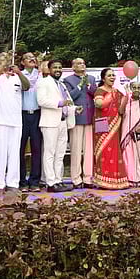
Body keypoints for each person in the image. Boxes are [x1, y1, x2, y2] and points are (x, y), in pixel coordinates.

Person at [0, 52, 29, 197]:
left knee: (14, 154)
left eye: (8, 58)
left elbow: (27, 86)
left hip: (16, 121)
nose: (6, 60)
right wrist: (2, 67)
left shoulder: (16, 76)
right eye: (2, 58)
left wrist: (18, 72)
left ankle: (13, 184)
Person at [37, 59, 74, 193]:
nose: (58, 70)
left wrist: (74, 109)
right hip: (50, 122)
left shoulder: (62, 84)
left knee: (60, 154)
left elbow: (68, 102)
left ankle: (59, 180)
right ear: (49, 69)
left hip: (63, 121)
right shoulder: (43, 82)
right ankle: (50, 182)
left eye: (60, 67)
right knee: (49, 153)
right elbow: (41, 101)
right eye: (55, 68)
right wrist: (60, 103)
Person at [92, 68, 130, 190]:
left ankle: (116, 180)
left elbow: (121, 110)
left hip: (115, 125)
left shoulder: (117, 92)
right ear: (103, 78)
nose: (112, 77)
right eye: (109, 75)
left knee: (114, 151)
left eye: (113, 75)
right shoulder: (100, 90)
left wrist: (127, 96)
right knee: (103, 151)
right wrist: (108, 97)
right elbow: (99, 104)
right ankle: (103, 180)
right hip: (102, 125)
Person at [64, 58, 97, 189]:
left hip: (90, 118)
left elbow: (96, 94)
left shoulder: (92, 78)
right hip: (77, 118)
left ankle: (88, 178)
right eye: (78, 63)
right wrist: (79, 85)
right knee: (76, 150)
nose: (82, 65)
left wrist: (88, 85)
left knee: (89, 150)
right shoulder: (68, 80)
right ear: (73, 67)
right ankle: (76, 179)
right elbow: (69, 97)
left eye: (83, 63)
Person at [18, 52, 43, 190]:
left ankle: (34, 181)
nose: (31, 59)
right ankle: (22, 181)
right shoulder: (17, 74)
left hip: (37, 114)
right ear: (22, 62)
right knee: (20, 149)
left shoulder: (40, 75)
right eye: (27, 57)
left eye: (33, 57)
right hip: (21, 114)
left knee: (36, 148)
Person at [120, 81, 140, 187]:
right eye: (134, 87)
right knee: (129, 156)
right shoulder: (126, 101)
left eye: (139, 87)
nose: (137, 89)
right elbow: (120, 112)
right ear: (131, 89)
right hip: (127, 133)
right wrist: (126, 98)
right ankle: (130, 179)